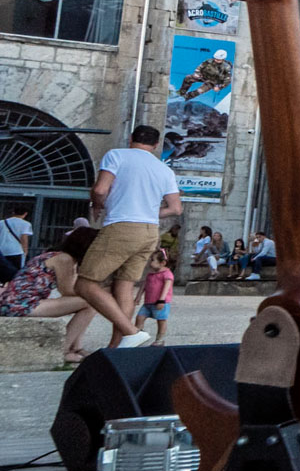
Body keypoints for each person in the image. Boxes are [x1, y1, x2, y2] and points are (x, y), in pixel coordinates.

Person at [72, 125, 178, 349]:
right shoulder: (164, 170)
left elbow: (101, 189)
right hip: (149, 231)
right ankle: (117, 348)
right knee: (124, 286)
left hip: (122, 226)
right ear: (156, 145)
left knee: (85, 284)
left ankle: (131, 332)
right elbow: (175, 208)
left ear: (131, 138)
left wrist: (97, 204)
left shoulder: (116, 155)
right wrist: (147, 211)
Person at [0, 226, 101, 362]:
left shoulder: (56, 254)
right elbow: (66, 291)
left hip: (15, 301)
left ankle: (76, 346)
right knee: (89, 303)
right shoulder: (64, 259)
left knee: (85, 302)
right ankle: (64, 351)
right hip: (21, 304)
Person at [136, 248, 174, 343]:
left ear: (162, 263)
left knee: (161, 320)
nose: (150, 262)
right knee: (140, 317)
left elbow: (166, 288)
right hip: (148, 302)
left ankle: (160, 339)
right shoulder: (151, 274)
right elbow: (144, 285)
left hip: (160, 302)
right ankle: (138, 335)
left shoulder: (167, 274)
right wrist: (139, 296)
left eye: (152, 260)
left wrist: (162, 300)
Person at [0, 204, 32, 283]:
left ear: (13, 212)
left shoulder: (2, 222)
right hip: (16, 251)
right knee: (16, 272)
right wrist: (25, 251)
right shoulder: (26, 224)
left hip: (2, 250)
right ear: (25, 213)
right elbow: (24, 238)